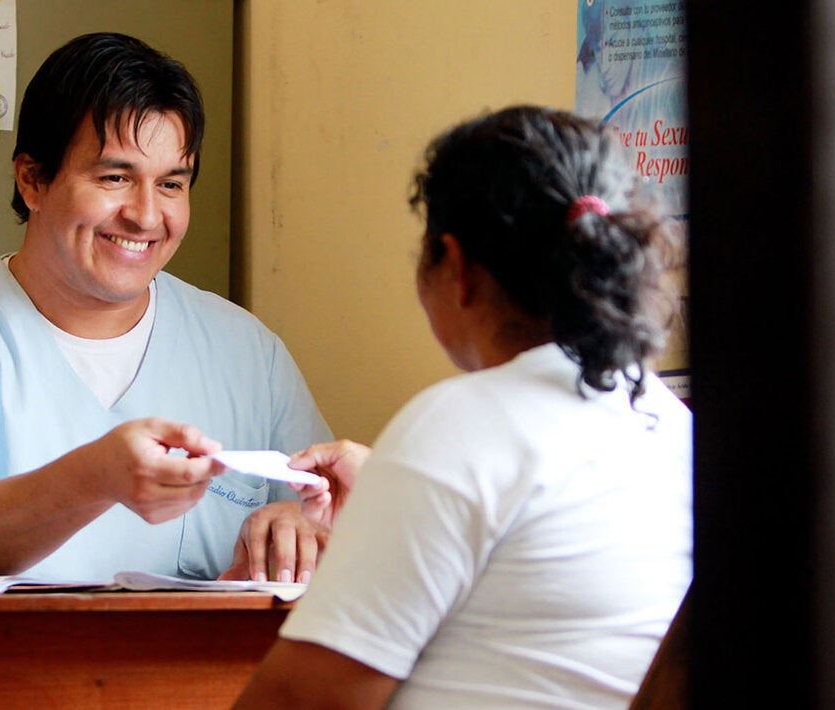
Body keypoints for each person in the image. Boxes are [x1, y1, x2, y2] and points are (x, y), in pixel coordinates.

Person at [235, 105, 691, 708]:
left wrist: (414, 478)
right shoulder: (673, 425)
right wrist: (395, 494)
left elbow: (300, 702)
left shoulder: (459, 425)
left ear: (456, 266)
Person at [0, 32, 333, 584]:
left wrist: (299, 528)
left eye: (170, 184)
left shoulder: (248, 352)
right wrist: (96, 476)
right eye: (115, 178)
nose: (146, 216)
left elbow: (330, 521)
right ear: (32, 180)